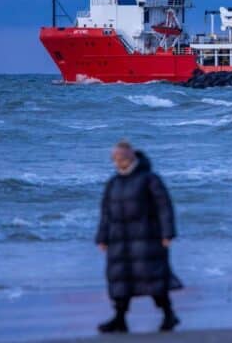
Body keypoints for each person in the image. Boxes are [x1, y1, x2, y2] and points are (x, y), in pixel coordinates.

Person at [95, 141, 182, 334]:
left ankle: (169, 315)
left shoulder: (150, 179)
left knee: (154, 278)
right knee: (119, 279)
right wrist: (102, 237)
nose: (119, 162)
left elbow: (164, 207)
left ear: (132, 157)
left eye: (122, 158)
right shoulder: (114, 183)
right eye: (115, 159)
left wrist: (168, 233)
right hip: (119, 240)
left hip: (147, 238)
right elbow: (106, 213)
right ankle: (119, 319)